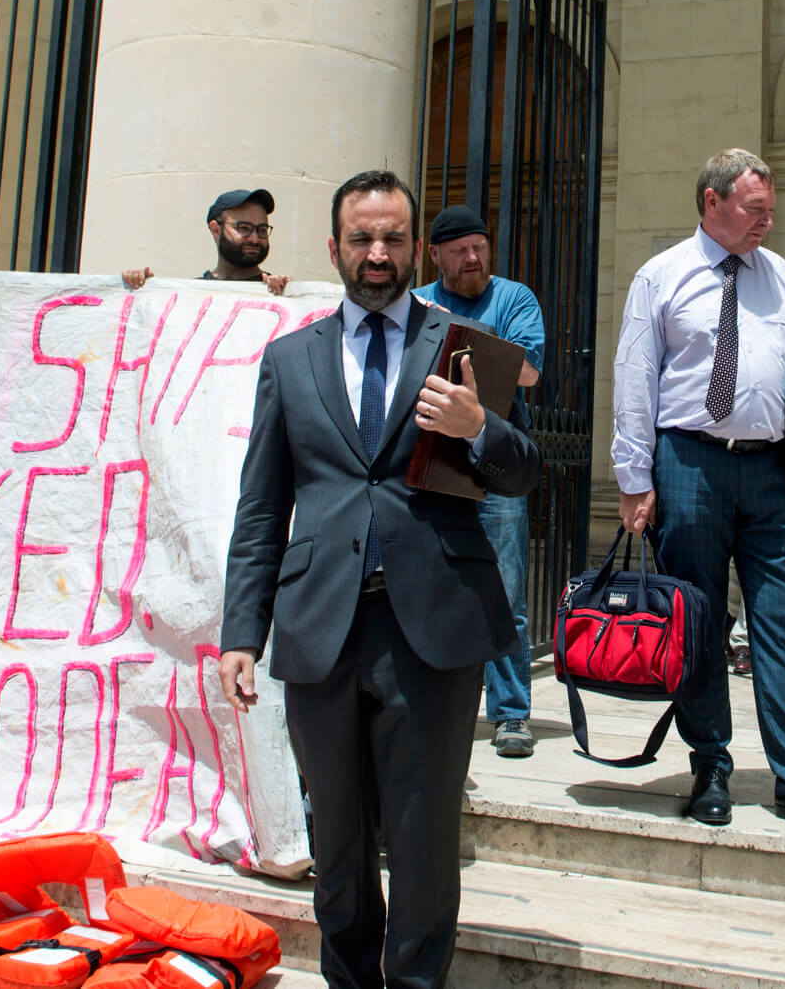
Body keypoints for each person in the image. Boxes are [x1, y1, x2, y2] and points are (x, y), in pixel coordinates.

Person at [219, 169, 542, 989]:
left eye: (393, 237)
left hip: (432, 626)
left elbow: (524, 474)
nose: (377, 253)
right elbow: (262, 506)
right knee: (339, 841)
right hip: (320, 626)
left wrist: (482, 427)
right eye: (361, 237)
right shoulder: (290, 361)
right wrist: (240, 633)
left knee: (425, 835)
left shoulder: (463, 348)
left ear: (415, 248)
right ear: (334, 248)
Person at [612, 147, 785, 827]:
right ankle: (710, 764)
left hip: (770, 468)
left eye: (770, 209)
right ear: (712, 203)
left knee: (781, 625)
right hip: (690, 464)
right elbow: (634, 377)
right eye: (754, 209)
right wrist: (633, 478)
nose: (767, 221)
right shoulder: (661, 277)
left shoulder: (779, 275)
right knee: (701, 624)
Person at [410, 203, 546, 758]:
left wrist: (450, 341)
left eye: (480, 246)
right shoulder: (416, 299)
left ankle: (511, 714)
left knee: (505, 590)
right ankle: (437, 701)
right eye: (460, 250)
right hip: (431, 461)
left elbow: (530, 372)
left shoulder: (515, 299)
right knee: (430, 586)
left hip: (494, 460)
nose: (473, 258)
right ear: (435, 254)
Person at [123, 188, 290, 294]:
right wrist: (141, 290)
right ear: (216, 230)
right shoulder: (189, 295)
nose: (255, 239)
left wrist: (291, 292)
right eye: (244, 228)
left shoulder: (279, 291)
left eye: (262, 230)